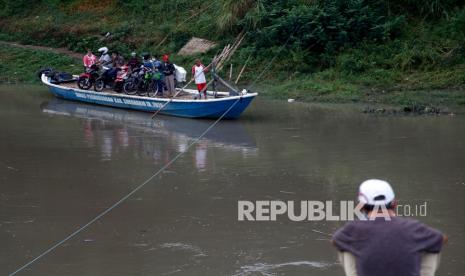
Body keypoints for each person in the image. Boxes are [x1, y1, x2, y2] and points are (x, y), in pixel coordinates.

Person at [332, 179, 447, 276]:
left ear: (361, 207)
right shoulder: (413, 227)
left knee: (344, 244)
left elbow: (335, 241)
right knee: (434, 244)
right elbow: (441, 239)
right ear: (395, 204)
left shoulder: (353, 229)